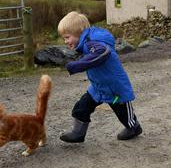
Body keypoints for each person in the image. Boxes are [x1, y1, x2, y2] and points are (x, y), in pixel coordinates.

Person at [57, 11, 142, 143]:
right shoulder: (88, 42)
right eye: (64, 38)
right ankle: (78, 133)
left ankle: (134, 127)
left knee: (122, 112)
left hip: (114, 88)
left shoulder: (92, 43)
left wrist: (77, 65)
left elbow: (102, 53)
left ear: (79, 32)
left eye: (67, 37)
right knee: (81, 107)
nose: (65, 41)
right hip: (98, 87)